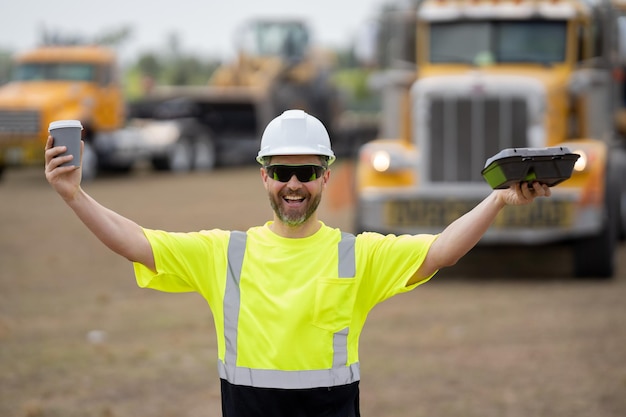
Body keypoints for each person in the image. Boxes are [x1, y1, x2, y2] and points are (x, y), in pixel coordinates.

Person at [44, 109, 551, 417]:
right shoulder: (225, 252)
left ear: (326, 176)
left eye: (305, 171)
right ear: (263, 176)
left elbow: (443, 249)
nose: (293, 184)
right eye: (282, 171)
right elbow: (135, 243)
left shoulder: (358, 255)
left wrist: (499, 202)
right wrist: (74, 195)